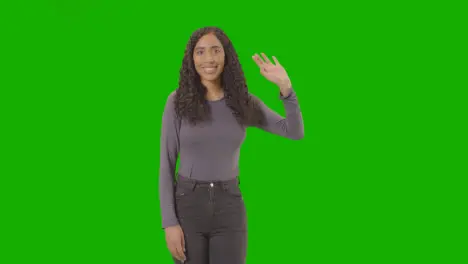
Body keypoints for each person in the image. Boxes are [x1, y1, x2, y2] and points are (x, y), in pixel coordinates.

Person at [159, 26, 304, 264]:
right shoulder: (176, 102)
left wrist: (286, 88)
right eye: (200, 52)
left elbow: (294, 131)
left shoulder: (243, 102)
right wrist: (169, 223)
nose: (208, 59)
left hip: (229, 207)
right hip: (188, 205)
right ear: (191, 59)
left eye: (215, 50)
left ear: (226, 56)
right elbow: (166, 165)